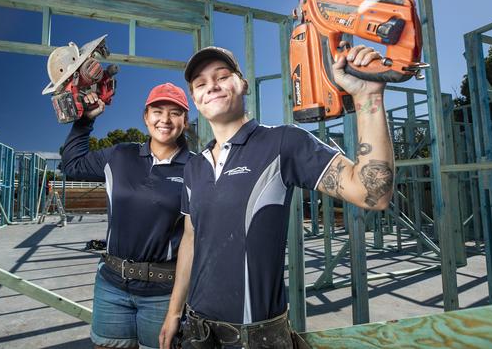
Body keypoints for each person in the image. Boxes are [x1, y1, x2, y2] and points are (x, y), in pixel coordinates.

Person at [159, 44, 394, 348]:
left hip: (255, 337)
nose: (211, 87)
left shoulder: (283, 143)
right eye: (201, 84)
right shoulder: (194, 166)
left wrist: (368, 97)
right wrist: (173, 313)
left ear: (242, 84)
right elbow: (190, 240)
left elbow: (373, 192)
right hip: (197, 332)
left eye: (222, 76)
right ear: (195, 100)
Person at [60, 82, 193, 349]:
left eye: (175, 112)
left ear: (185, 122)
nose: (164, 119)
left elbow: (195, 241)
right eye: (157, 111)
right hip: (111, 286)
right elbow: (71, 165)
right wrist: (84, 121)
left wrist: (176, 311)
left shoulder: (196, 167)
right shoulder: (120, 155)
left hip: (162, 294)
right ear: (146, 117)